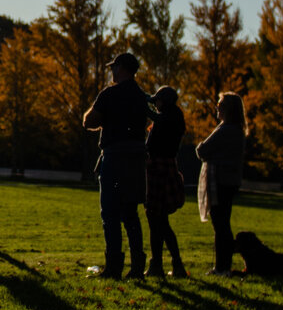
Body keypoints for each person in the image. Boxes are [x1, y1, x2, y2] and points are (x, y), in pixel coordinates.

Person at [83, 53, 151, 279]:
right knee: (130, 212)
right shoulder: (141, 97)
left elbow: (89, 121)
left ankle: (113, 266)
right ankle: (137, 266)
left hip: (114, 156)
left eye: (114, 67)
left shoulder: (110, 94)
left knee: (110, 213)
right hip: (137, 157)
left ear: (121, 68)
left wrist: (105, 118)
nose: (112, 71)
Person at [194, 91, 246, 276]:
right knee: (223, 223)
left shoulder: (225, 130)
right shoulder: (238, 131)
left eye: (220, 105)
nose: (217, 108)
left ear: (227, 110)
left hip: (219, 182)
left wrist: (204, 148)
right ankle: (224, 264)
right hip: (230, 182)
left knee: (220, 225)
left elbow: (202, 150)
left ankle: (222, 266)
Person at [143, 84, 188, 277]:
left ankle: (157, 265)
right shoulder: (174, 116)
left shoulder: (170, 117)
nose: (156, 105)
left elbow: (157, 118)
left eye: (158, 101)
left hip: (158, 169)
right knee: (160, 221)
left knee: (155, 218)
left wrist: (142, 104)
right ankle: (175, 264)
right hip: (164, 168)